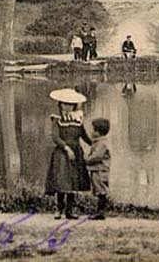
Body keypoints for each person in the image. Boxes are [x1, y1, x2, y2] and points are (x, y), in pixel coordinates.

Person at [45, 88, 91, 219]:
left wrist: (96, 145)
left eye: (70, 104)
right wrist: (66, 148)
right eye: (64, 104)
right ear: (60, 105)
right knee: (62, 181)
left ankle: (70, 210)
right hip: (62, 153)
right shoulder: (57, 119)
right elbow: (55, 137)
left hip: (76, 152)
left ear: (74, 105)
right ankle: (59, 209)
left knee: (73, 181)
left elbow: (84, 136)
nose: (66, 107)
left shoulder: (78, 120)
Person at [85, 118, 111, 220]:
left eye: (93, 130)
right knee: (98, 190)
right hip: (96, 170)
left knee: (101, 191)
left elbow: (97, 156)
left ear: (98, 132)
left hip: (100, 170)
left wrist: (86, 160)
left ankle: (101, 212)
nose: (91, 132)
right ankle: (99, 211)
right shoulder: (98, 142)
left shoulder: (102, 143)